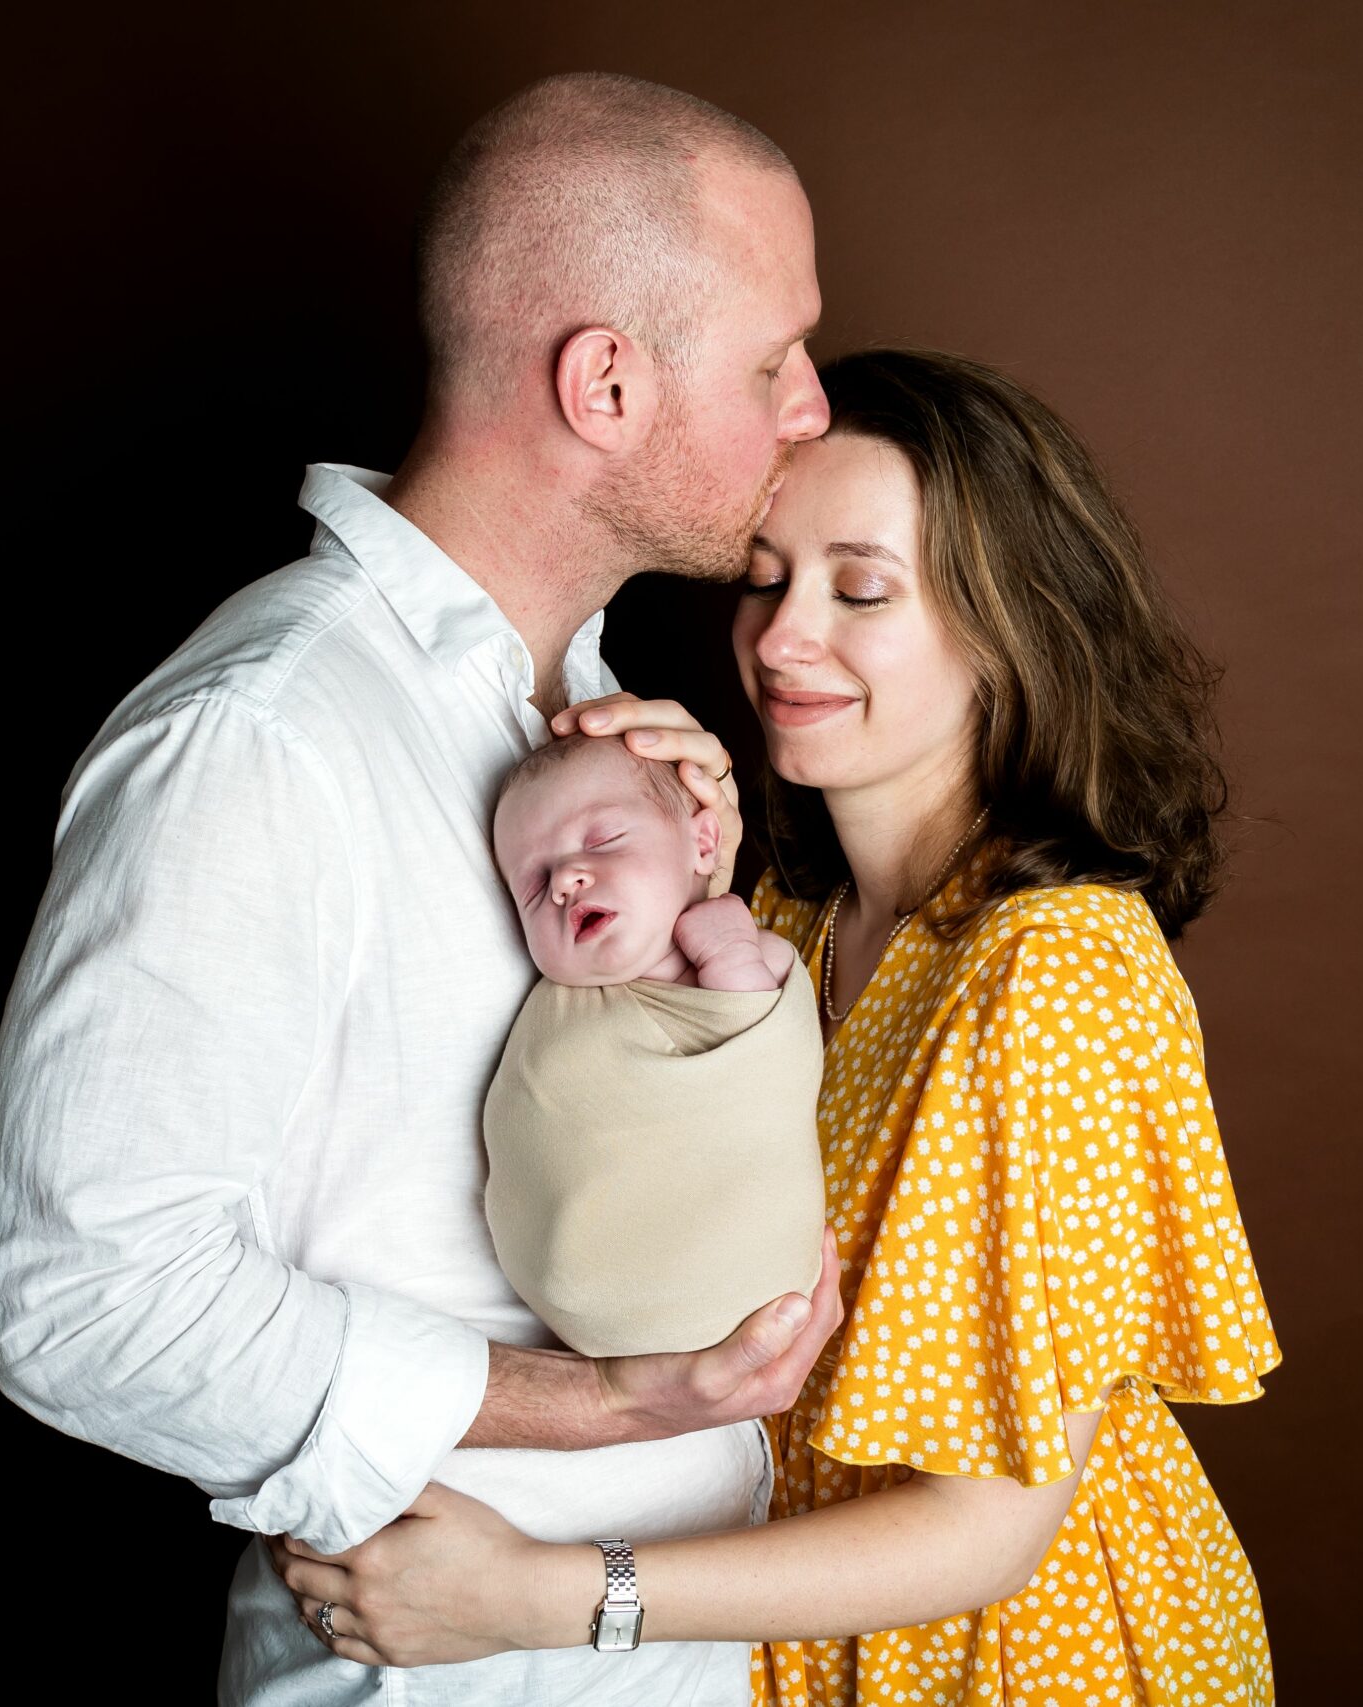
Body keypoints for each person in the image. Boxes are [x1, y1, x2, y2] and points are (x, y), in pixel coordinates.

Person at [0, 73, 842, 1706]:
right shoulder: (263, 736)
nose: (810, 407)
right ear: (604, 382)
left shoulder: (601, 712)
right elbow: (85, 1303)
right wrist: (604, 1404)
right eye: (771, 362)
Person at [266, 349, 1282, 1706]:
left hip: (1035, 1655)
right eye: (765, 576)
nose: (782, 637)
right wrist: (677, 861)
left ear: (1008, 626)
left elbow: (992, 1526)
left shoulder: (1059, 972)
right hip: (802, 1636)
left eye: (861, 589)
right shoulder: (795, 922)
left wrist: (544, 1593)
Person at [483, 733, 825, 1358]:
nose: (565, 878)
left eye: (602, 841)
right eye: (532, 884)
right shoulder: (562, 1007)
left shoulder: (752, 957)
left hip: (734, 1275)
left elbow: (766, 1068)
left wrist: (729, 956)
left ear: (702, 843)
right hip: (583, 1295)